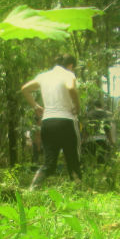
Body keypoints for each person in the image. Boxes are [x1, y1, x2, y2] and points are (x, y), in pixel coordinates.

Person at [20, 54, 82, 189]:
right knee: (73, 159)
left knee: (49, 163)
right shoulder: (68, 74)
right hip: (66, 121)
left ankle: (32, 188)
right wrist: (77, 106)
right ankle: (78, 190)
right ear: (70, 65)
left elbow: (25, 89)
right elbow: (71, 88)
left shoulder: (44, 76)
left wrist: (35, 106)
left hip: (48, 122)